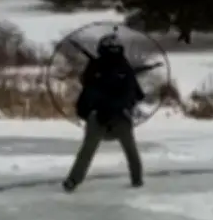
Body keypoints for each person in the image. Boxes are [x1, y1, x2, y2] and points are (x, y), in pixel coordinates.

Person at [63, 33, 161, 192]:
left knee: (89, 150)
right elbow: (134, 95)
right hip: (116, 115)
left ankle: (73, 180)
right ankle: (137, 180)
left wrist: (88, 111)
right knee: (129, 150)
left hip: (111, 116)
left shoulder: (105, 67)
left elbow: (89, 90)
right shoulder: (116, 67)